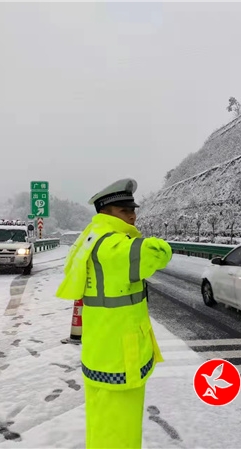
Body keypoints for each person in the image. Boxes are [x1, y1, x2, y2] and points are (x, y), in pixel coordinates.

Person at [56, 178, 172, 449]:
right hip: (122, 357)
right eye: (124, 210)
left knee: (101, 423)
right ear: (106, 212)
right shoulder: (115, 247)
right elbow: (160, 253)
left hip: (98, 350)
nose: (132, 215)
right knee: (122, 430)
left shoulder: (88, 239)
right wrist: (139, 237)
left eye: (132, 210)